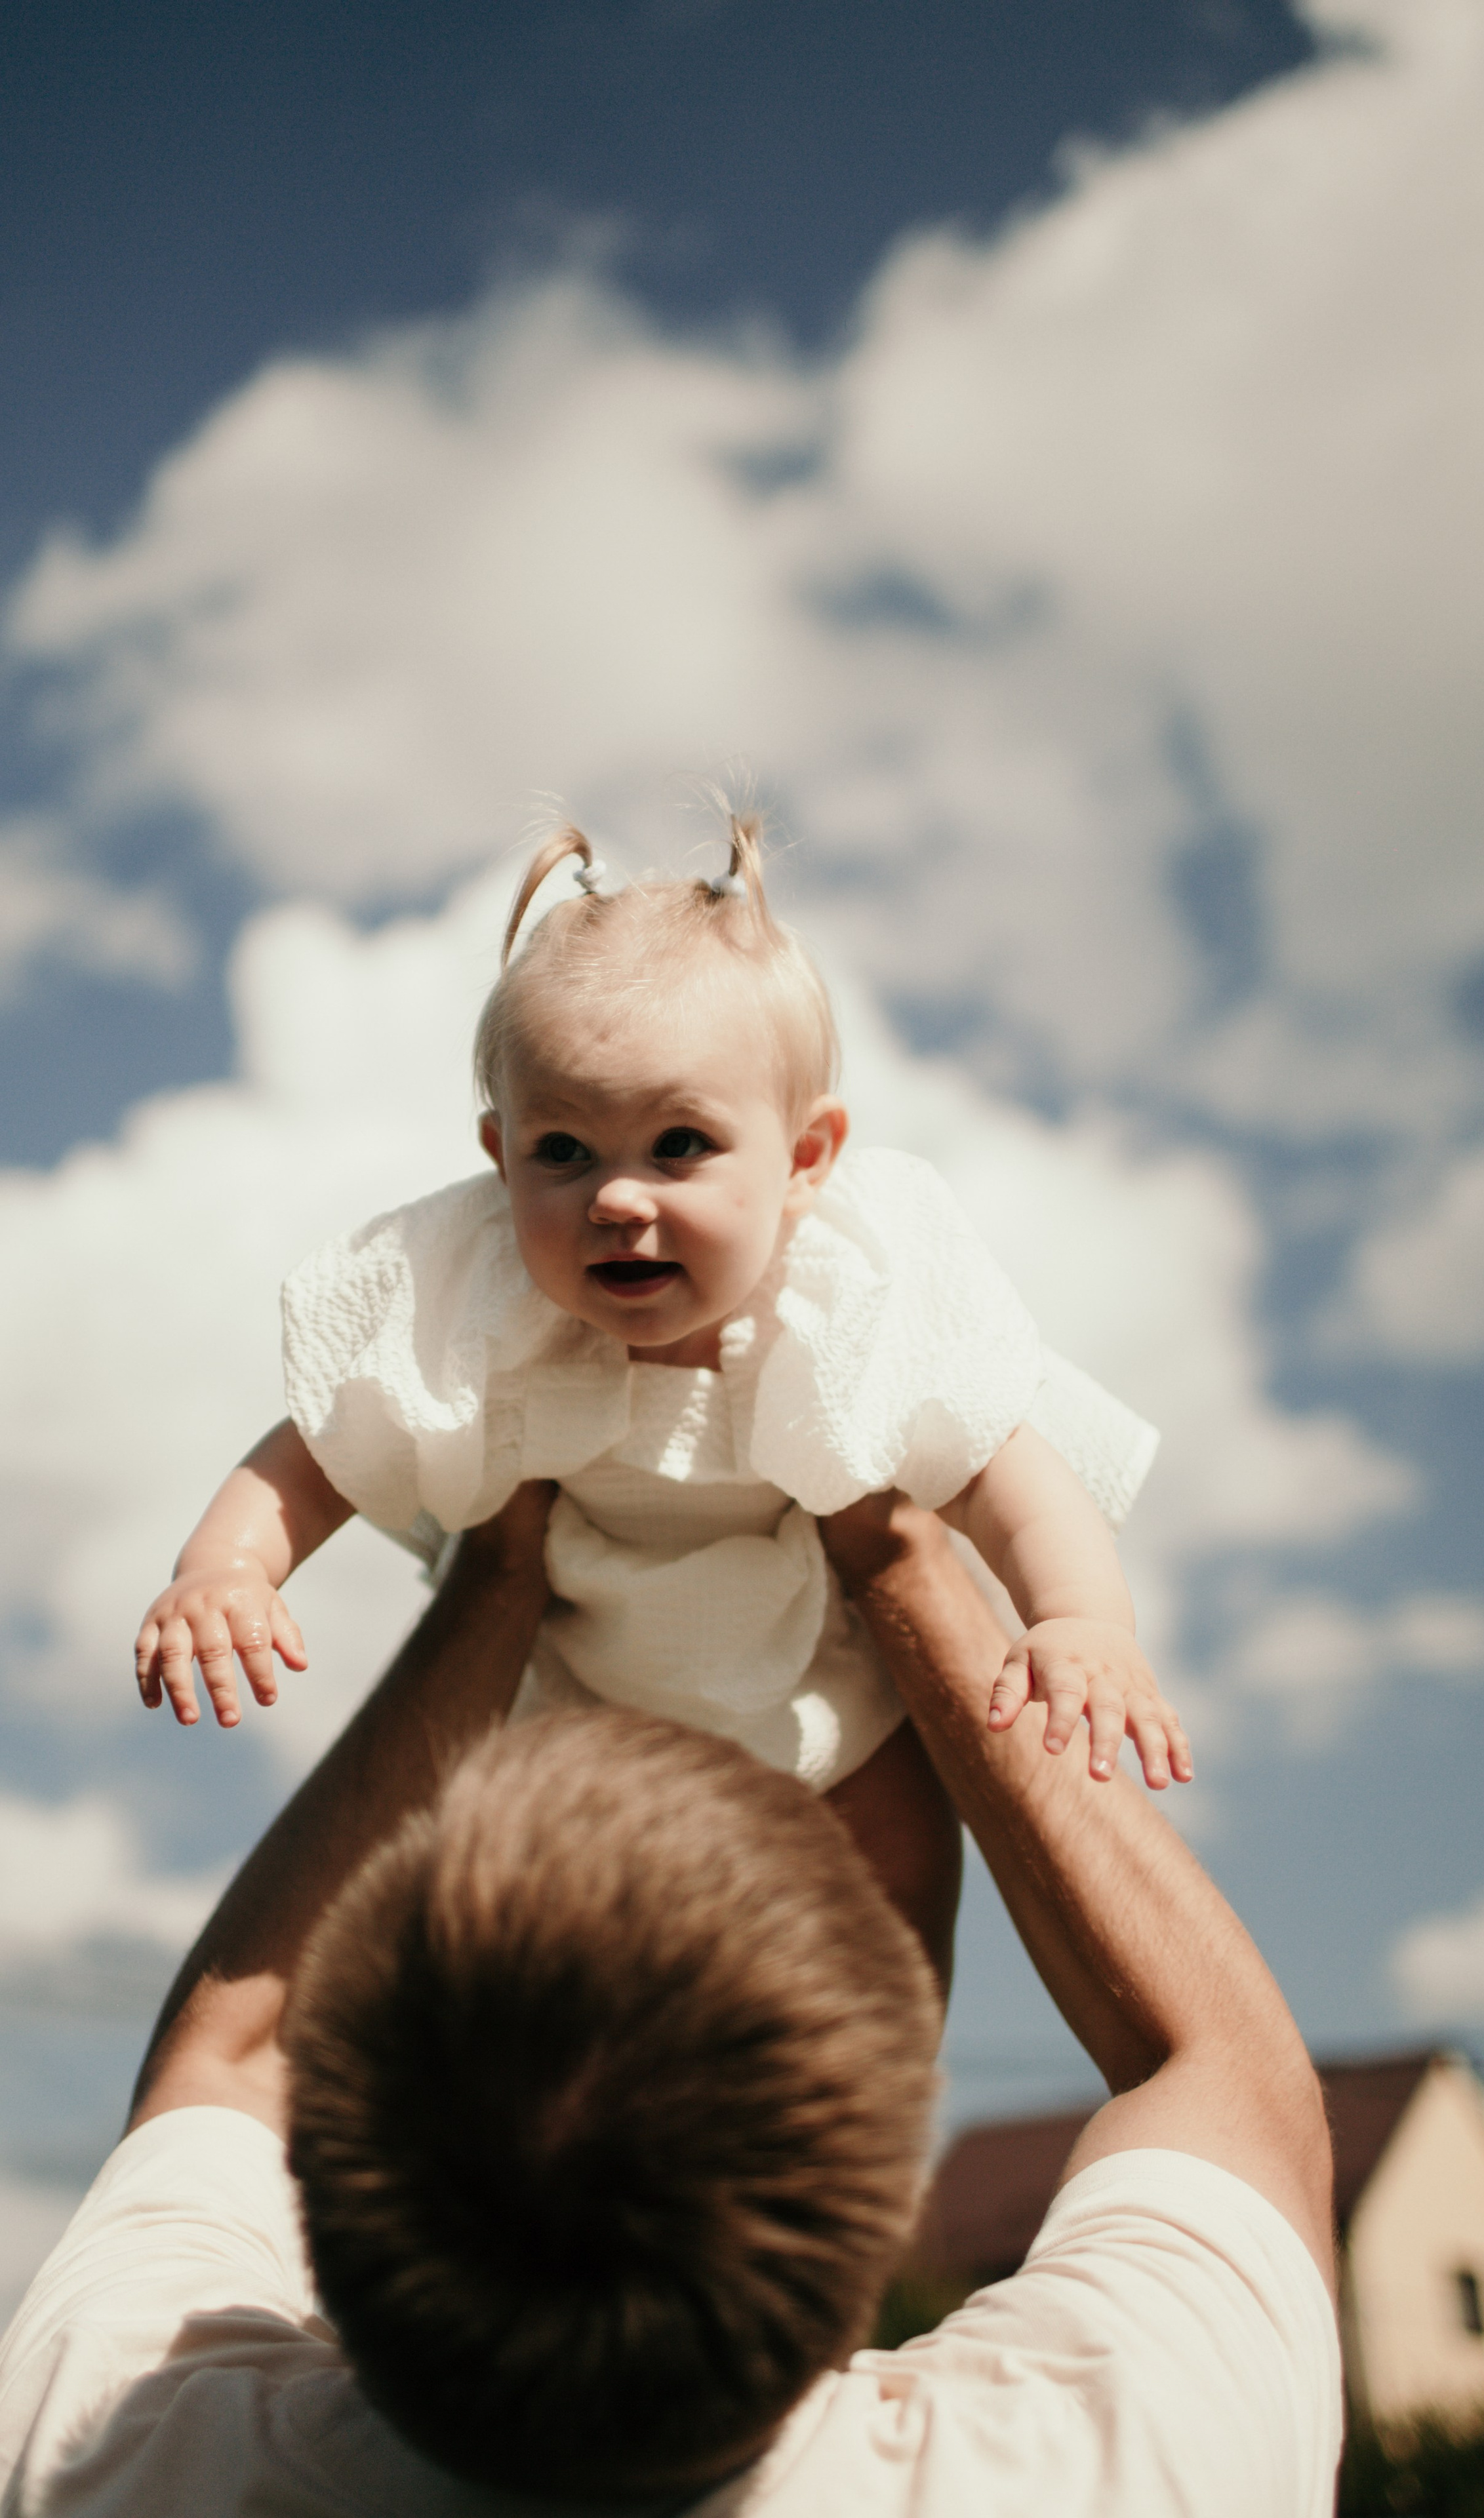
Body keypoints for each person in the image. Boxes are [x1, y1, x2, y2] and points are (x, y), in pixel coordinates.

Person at [1, 1484, 1340, 2516]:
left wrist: (496, 1570)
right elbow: (1225, 2076)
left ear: (331, 2188)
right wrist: (902, 1556)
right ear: (885, 2191)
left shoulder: (118, 2453)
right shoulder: (1098, 2467)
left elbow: (229, 2063)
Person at [134, 814, 1191, 1806]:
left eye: (679, 1144)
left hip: (828, 1682)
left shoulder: (848, 1301)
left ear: (807, 1160)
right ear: (501, 1163)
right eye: (563, 1152)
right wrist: (226, 1568)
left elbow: (1009, 1474)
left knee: (897, 1839)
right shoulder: (479, 1309)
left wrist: (1080, 1619)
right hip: (591, 1698)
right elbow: (317, 1450)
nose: (616, 1197)